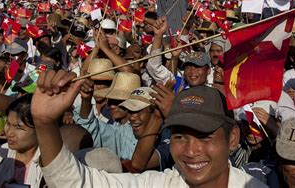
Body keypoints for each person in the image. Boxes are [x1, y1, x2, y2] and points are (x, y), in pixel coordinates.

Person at [30, 70, 266, 187]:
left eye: (204, 136)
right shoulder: (160, 184)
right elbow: (78, 183)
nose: (191, 150)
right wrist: (43, 123)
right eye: (180, 136)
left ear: (233, 138)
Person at [0, 95, 43, 187]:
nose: (9, 132)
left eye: (18, 127)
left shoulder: (48, 161)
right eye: (8, 123)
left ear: (39, 128)